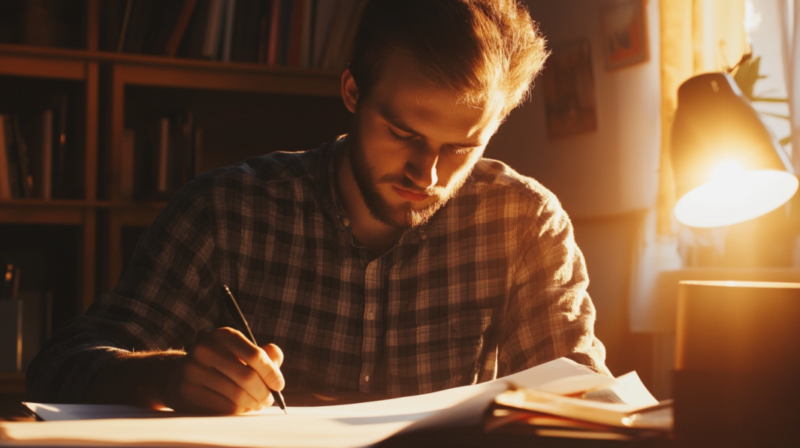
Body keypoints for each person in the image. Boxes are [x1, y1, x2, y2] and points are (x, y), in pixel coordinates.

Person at [28, 0, 610, 414]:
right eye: (404, 132)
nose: (427, 174)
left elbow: (579, 394)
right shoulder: (227, 210)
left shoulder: (522, 223)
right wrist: (167, 376)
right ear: (353, 92)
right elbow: (57, 368)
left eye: (461, 147)